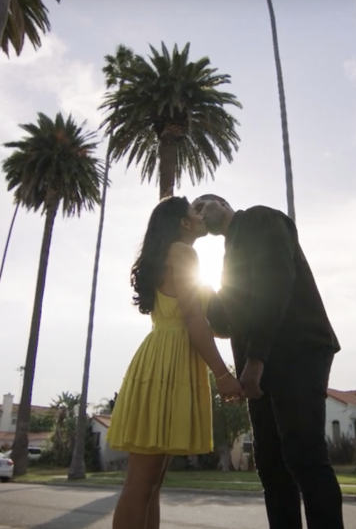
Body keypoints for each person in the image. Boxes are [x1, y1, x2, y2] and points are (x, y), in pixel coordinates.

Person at [193, 194, 344, 529]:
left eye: (203, 204)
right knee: (271, 465)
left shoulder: (260, 219)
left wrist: (256, 358)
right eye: (193, 210)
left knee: (304, 456)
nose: (198, 212)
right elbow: (224, 324)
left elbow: (275, 284)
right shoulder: (228, 258)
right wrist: (199, 288)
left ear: (222, 203)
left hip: (297, 350)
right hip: (257, 368)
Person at [107, 196, 245, 529]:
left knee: (151, 484)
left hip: (164, 361)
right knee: (142, 483)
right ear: (184, 223)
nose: (200, 215)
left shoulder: (169, 255)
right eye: (194, 212)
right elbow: (194, 319)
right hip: (167, 365)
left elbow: (209, 321)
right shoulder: (183, 253)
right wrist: (222, 374)